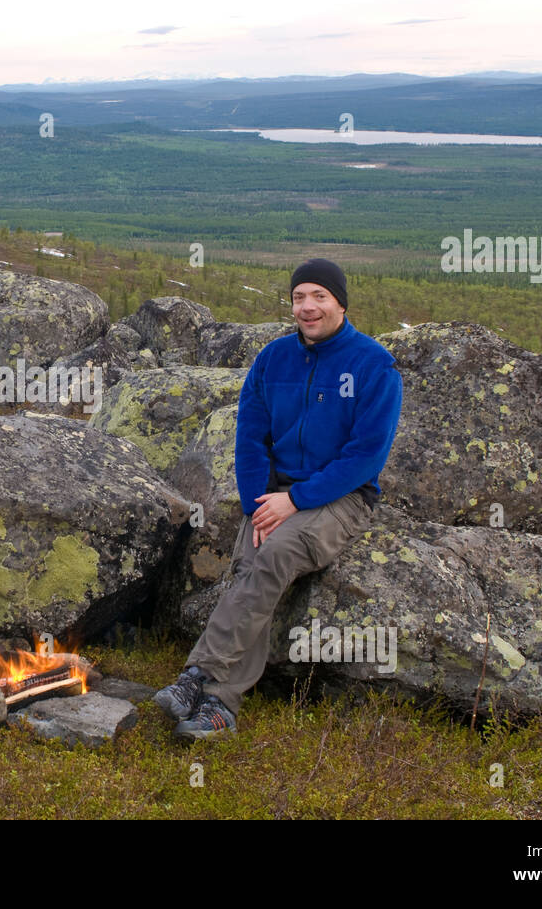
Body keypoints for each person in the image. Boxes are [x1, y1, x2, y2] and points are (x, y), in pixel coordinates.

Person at [155, 259, 403, 740]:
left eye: (319, 297)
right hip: (274, 494)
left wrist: (296, 501)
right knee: (250, 568)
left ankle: (197, 677)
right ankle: (220, 707)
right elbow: (251, 439)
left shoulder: (374, 365)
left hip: (342, 497)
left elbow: (366, 456)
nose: (307, 307)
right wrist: (257, 505)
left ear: (340, 302)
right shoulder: (273, 359)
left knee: (274, 556)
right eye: (298, 297)